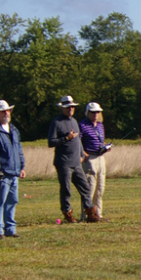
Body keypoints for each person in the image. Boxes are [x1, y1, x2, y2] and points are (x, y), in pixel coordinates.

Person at [48, 95, 97, 223]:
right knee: (66, 189)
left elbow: (78, 139)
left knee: (85, 187)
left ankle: (90, 213)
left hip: (76, 163)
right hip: (63, 163)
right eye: (68, 107)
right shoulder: (57, 122)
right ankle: (67, 213)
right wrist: (66, 138)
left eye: (72, 107)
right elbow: (51, 142)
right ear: (62, 108)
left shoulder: (74, 121)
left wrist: (81, 154)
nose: (70, 109)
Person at [0, 99, 27, 239]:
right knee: (0, 200)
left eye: (7, 110)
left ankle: (10, 229)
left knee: (13, 200)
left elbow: (18, 149)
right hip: (1, 171)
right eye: (3, 111)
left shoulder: (13, 129)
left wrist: (22, 166)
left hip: (14, 171)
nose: (6, 113)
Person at [79, 102, 112, 220]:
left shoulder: (100, 125)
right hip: (90, 158)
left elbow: (100, 141)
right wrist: (84, 154)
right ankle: (86, 215)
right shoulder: (82, 125)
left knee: (100, 188)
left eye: (97, 112)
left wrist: (105, 147)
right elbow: (78, 142)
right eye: (93, 112)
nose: (95, 114)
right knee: (90, 188)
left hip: (100, 157)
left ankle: (98, 213)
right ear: (88, 113)